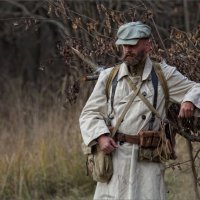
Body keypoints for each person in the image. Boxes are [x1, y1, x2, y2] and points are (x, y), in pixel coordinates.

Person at [79, 21, 200, 200]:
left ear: (147, 44)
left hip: (148, 160)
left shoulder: (164, 75)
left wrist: (189, 99)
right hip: (115, 158)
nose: (128, 49)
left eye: (133, 44)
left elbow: (196, 88)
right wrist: (101, 136)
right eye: (124, 45)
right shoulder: (109, 77)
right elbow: (89, 113)